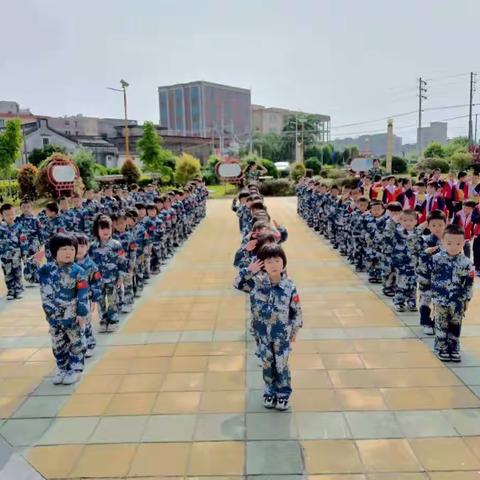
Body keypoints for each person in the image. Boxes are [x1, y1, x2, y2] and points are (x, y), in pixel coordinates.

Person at [234, 244, 302, 411]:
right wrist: (248, 271)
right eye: (269, 261)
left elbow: (297, 311)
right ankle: (270, 390)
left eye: (277, 261)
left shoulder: (289, 286)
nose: (273, 265)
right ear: (262, 264)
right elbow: (237, 284)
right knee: (267, 363)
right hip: (262, 334)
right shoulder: (255, 284)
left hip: (282, 335)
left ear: (283, 263)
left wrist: (294, 332)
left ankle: (283, 393)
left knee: (282, 365)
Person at [37, 233, 89, 385]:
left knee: (76, 344)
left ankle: (75, 369)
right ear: (54, 252)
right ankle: (62, 368)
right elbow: (29, 276)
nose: (69, 253)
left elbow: (82, 293)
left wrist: (82, 313)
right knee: (58, 345)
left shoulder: (78, 271)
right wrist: (34, 262)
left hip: (72, 317)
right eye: (64, 249)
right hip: (53, 318)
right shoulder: (46, 270)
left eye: (72, 249)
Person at [429, 224, 475, 362]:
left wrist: (467, 300)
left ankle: (454, 347)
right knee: (441, 323)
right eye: (449, 243)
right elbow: (425, 273)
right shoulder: (436, 259)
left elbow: (469, 283)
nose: (453, 246)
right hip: (441, 299)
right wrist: (425, 254)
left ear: (464, 243)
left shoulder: (467, 262)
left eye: (458, 243)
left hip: (458, 300)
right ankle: (441, 347)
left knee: (456, 324)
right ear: (443, 242)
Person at [90, 215, 126, 333]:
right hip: (98, 281)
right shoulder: (92, 247)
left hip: (112, 279)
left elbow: (121, 262)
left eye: (108, 228)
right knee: (100, 301)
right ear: (97, 230)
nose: (105, 231)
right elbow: (90, 265)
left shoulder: (116, 245)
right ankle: (103, 319)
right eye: (102, 229)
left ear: (112, 229)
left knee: (112, 300)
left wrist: (120, 277)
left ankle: (113, 320)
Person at [416, 210, 447, 335]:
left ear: (445, 224)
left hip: (443, 278)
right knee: (425, 299)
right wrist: (425, 253)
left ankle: (437, 322)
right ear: (428, 226)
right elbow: (417, 254)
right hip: (426, 276)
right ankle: (426, 322)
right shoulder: (424, 240)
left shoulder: (449, 240)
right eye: (433, 225)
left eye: (440, 225)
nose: (437, 228)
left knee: (441, 301)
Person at [74, 233, 102, 358]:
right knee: (75, 324)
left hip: (87, 299)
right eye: (76, 246)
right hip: (72, 300)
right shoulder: (69, 264)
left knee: (86, 322)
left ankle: (90, 344)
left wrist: (94, 300)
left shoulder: (91, 265)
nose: (79, 249)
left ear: (87, 247)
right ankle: (79, 345)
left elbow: (96, 283)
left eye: (82, 246)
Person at [391, 209, 423, 312]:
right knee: (401, 282)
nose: (408, 223)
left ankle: (411, 301)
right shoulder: (397, 232)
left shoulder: (418, 234)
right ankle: (399, 302)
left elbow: (421, 248)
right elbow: (388, 238)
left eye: (410, 220)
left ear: (416, 221)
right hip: (401, 263)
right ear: (400, 221)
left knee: (413, 283)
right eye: (405, 220)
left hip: (413, 263)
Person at [0, 203, 27, 300]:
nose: (10, 216)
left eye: (12, 214)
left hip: (16, 254)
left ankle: (19, 290)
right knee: (8, 273)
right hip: (4, 256)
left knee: (17, 272)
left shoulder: (19, 227)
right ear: (2, 215)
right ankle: (11, 291)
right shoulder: (1, 228)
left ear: (15, 213)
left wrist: (24, 254)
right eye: (7, 215)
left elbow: (23, 241)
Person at [15, 198, 42, 286]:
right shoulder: (18, 219)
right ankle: (29, 278)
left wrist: (41, 243)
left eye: (28, 207)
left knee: (35, 260)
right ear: (20, 208)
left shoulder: (35, 219)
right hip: (23, 244)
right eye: (24, 207)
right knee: (26, 261)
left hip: (34, 242)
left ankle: (37, 278)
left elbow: (40, 231)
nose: (26, 209)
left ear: (31, 208)